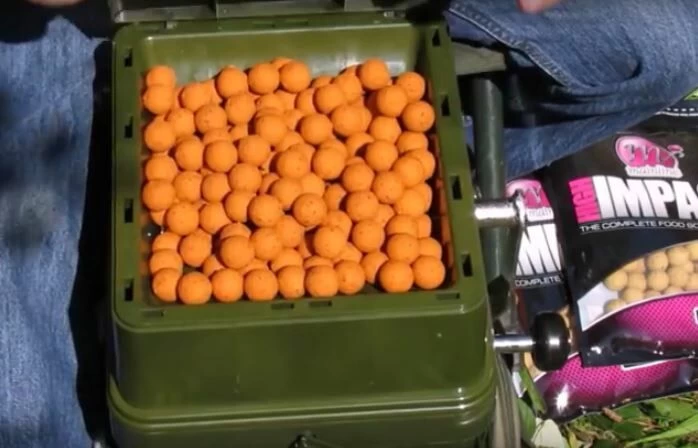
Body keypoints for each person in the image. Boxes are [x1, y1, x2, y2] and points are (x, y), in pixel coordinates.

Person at [1, 0, 697, 447]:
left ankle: (440, 158)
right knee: (22, 393)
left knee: (670, 38)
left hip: (386, 16)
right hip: (119, 16)